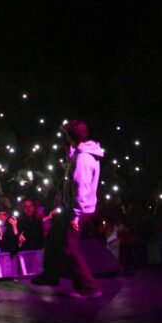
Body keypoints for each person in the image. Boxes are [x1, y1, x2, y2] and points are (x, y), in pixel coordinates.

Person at [32, 119, 103, 299]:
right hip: (72, 206)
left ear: (70, 136)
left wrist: (76, 216)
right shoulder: (82, 152)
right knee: (55, 235)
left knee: (69, 248)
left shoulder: (83, 159)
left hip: (80, 209)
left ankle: (90, 288)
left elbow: (81, 188)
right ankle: (50, 275)